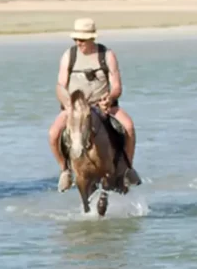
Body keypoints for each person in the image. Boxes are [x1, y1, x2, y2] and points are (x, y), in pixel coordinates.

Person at [48, 18, 140, 191]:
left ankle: (127, 169)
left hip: (103, 105)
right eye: (76, 39)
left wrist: (110, 97)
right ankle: (65, 171)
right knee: (53, 134)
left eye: (82, 40)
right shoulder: (70, 55)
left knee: (128, 127)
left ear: (92, 38)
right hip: (75, 109)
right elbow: (60, 85)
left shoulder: (107, 55)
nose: (78, 42)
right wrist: (68, 104)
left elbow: (117, 85)